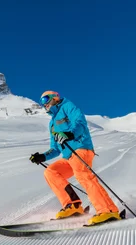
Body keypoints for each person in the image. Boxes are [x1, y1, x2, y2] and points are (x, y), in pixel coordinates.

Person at [29, 91, 121, 226]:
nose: (44, 104)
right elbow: (55, 148)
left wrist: (70, 134)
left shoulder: (67, 106)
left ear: (55, 97)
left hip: (81, 149)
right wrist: (42, 156)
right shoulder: (52, 124)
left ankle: (108, 211)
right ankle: (73, 206)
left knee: (83, 176)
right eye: (42, 101)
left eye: (46, 99)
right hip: (68, 156)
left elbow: (80, 122)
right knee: (51, 172)